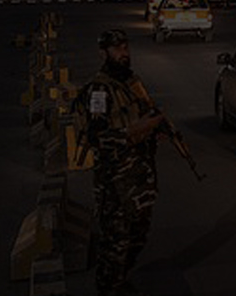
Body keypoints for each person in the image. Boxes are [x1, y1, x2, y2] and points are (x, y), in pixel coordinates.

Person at [71, 30, 163, 296]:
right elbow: (96, 138)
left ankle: (119, 281)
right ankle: (109, 288)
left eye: (125, 47)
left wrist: (155, 129)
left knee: (138, 238)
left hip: (140, 181)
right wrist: (138, 130)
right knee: (115, 246)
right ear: (103, 53)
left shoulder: (131, 81)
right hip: (115, 186)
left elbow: (144, 114)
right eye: (116, 49)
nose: (124, 53)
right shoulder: (99, 90)